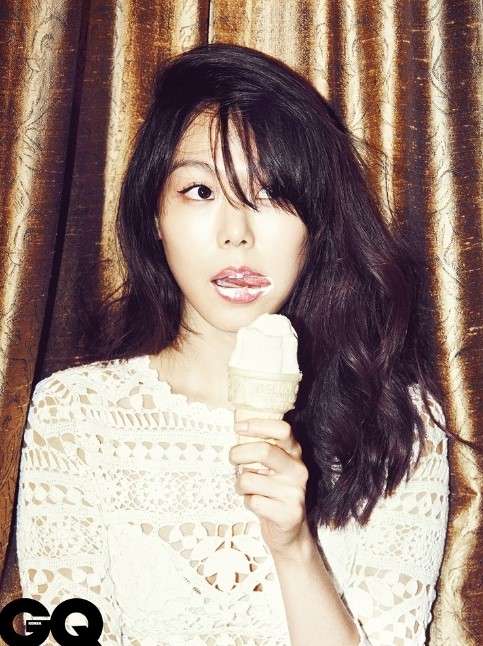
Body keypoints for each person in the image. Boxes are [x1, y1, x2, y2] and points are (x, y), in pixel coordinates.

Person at [16, 44, 449, 645]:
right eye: (200, 191)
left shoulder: (398, 422)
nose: (237, 233)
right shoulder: (73, 415)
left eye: (270, 193)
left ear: (316, 225)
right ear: (153, 213)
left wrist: (295, 549)